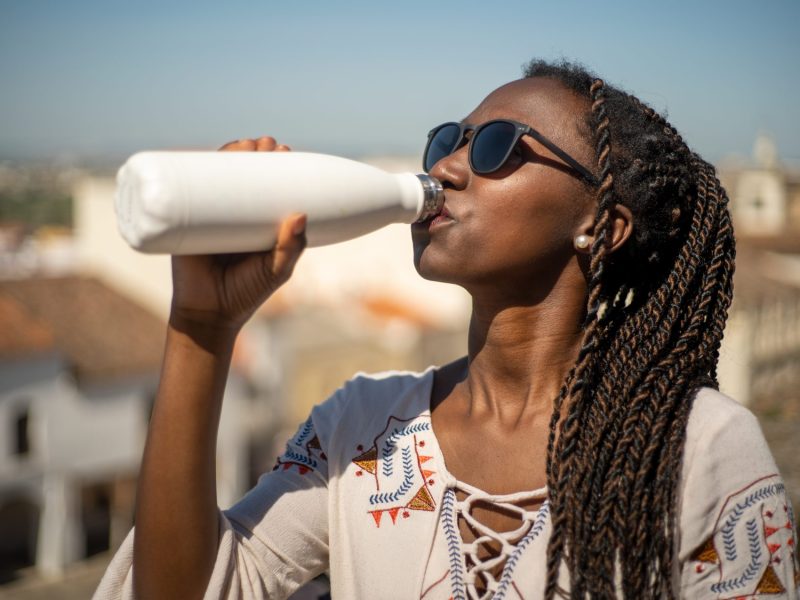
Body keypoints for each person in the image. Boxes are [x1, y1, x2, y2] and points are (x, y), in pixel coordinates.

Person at [94, 59, 799, 599]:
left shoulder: (698, 447)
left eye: (497, 147)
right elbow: (189, 588)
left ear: (600, 224)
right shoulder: (362, 428)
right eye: (446, 140)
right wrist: (201, 326)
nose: (448, 166)